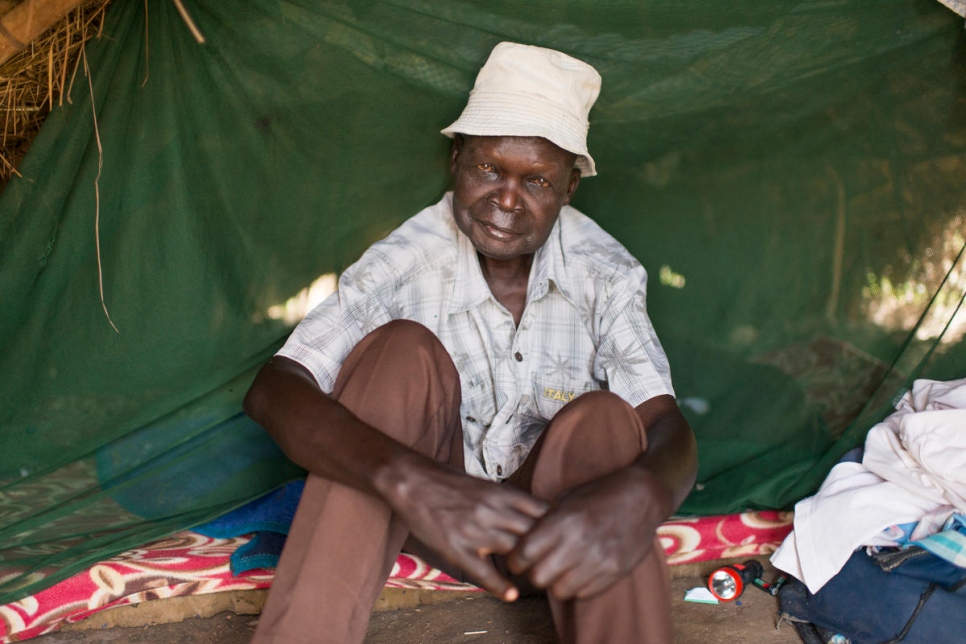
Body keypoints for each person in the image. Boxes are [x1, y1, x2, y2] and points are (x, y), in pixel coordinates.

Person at [245, 41, 698, 644]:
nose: (507, 200)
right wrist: (410, 481)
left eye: (536, 180)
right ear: (456, 159)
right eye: (488, 169)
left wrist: (643, 495)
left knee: (608, 421)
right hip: (429, 515)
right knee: (401, 351)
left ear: (568, 190)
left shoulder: (605, 271)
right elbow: (274, 390)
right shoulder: (406, 259)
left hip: (561, 538)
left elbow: (665, 424)